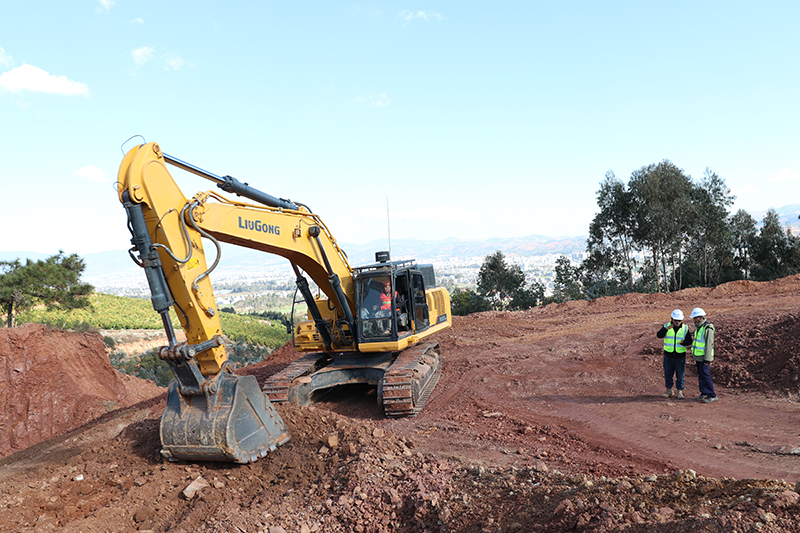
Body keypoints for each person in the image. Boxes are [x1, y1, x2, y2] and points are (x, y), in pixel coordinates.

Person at [656, 309, 692, 399]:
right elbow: (659, 335)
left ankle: (679, 391)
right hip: (668, 356)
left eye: (679, 320)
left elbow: (689, 341)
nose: (677, 322)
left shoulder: (685, 328)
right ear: (671, 319)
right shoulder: (666, 326)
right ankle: (669, 390)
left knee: (680, 375)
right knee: (668, 374)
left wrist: (684, 342)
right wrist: (665, 329)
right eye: (675, 320)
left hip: (680, 356)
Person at [690, 307, 718, 403]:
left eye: (695, 318)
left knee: (705, 375)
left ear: (700, 317)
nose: (694, 320)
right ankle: (704, 393)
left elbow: (709, 345)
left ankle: (712, 395)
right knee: (701, 375)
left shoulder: (707, 328)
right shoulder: (699, 327)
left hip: (704, 358)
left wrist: (707, 359)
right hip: (698, 356)